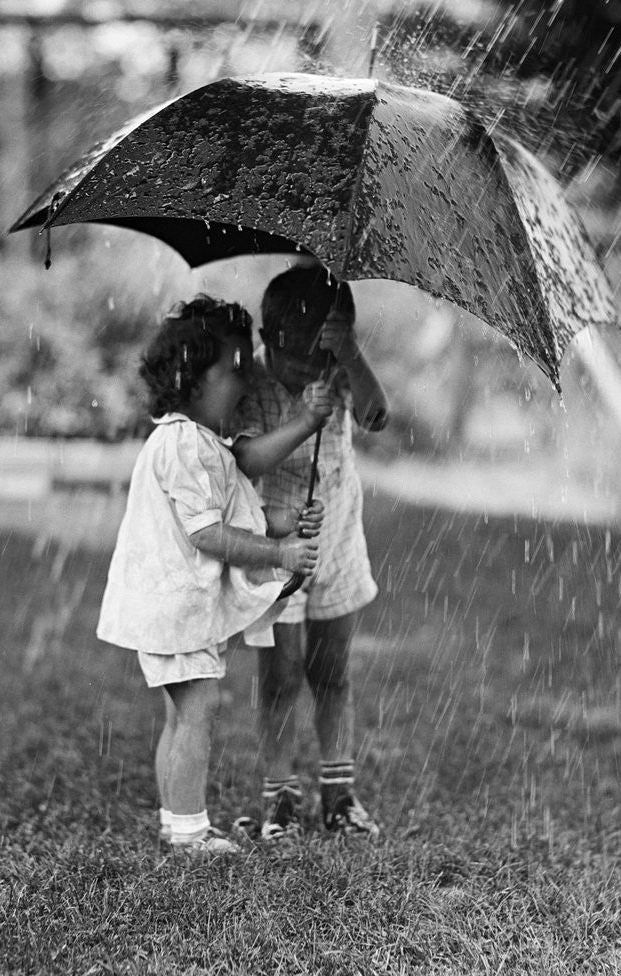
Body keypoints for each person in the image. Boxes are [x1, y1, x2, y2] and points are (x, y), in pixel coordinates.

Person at [96, 295, 331, 855]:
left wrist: (286, 520)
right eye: (235, 367)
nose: (248, 379)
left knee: (181, 717)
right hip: (177, 606)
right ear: (190, 380)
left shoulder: (201, 443)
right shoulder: (182, 444)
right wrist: (277, 555)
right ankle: (189, 832)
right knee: (196, 714)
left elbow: (234, 509)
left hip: (178, 605)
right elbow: (208, 534)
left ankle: (173, 820)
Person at [232, 264, 390, 841]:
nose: (308, 369)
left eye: (319, 353)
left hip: (339, 543)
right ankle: (279, 795)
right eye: (297, 357)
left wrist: (348, 355)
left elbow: (376, 417)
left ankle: (339, 792)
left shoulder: (339, 372)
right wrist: (306, 420)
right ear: (269, 338)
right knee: (281, 675)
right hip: (276, 551)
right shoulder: (251, 386)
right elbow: (247, 460)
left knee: (331, 671)